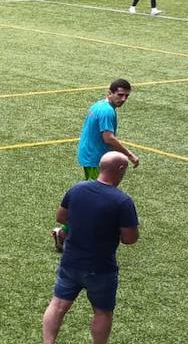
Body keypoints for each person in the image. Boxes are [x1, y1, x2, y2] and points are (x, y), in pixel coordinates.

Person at [40, 152, 139, 344]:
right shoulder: (122, 201)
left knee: (57, 304)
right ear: (120, 170)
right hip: (100, 267)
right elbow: (130, 239)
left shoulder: (77, 188)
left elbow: (61, 216)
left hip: (70, 261)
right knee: (102, 311)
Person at [56, 79, 139, 251]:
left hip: (89, 155)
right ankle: (64, 233)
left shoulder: (100, 105)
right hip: (95, 159)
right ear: (110, 93)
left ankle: (70, 231)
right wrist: (129, 155)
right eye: (120, 95)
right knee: (94, 199)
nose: (123, 99)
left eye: (126, 96)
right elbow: (108, 138)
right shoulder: (107, 111)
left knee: (93, 197)